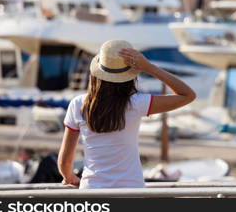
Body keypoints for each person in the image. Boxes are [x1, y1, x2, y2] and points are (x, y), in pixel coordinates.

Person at [57, 40, 196, 189]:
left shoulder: (79, 104)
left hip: (92, 190)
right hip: (130, 190)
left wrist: (70, 177)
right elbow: (187, 95)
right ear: (130, 76)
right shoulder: (136, 103)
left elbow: (65, 162)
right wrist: (149, 68)